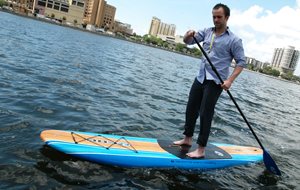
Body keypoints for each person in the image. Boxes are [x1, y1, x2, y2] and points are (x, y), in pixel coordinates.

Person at [173, 3, 246, 158]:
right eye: (214, 16)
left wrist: (230, 81)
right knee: (191, 107)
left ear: (227, 17)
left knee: (206, 113)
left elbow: (241, 62)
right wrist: (188, 34)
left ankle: (201, 148)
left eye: (219, 17)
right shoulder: (206, 32)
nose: (216, 19)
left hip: (215, 82)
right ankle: (187, 139)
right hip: (201, 76)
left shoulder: (234, 40)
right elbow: (188, 41)